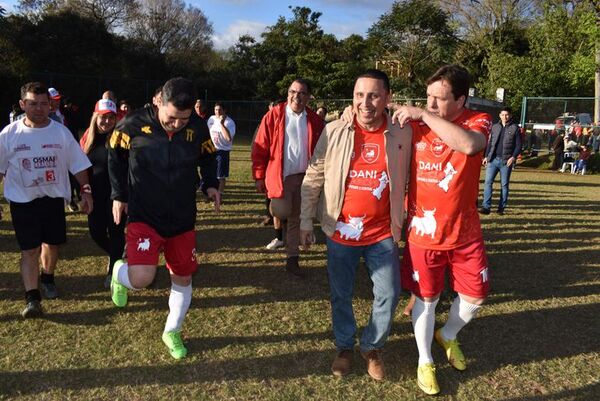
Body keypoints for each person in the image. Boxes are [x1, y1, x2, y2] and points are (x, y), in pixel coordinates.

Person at [300, 69, 412, 381]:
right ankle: (345, 347)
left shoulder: (403, 132)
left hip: (382, 233)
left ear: (387, 98)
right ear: (353, 97)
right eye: (360, 95)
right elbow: (314, 175)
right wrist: (306, 220)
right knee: (340, 293)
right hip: (340, 231)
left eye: (374, 95)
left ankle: (371, 347)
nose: (366, 102)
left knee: (389, 293)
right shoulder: (334, 130)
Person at [392, 64, 492, 395]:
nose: (432, 104)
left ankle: (447, 335)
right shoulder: (416, 126)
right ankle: (424, 359)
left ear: (462, 99)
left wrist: (423, 113)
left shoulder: (478, 121)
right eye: (428, 97)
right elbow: (375, 117)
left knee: (475, 296)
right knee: (426, 299)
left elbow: (468, 146)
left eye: (440, 98)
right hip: (423, 233)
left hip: (465, 233)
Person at [108, 77, 220, 360]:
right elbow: (114, 157)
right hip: (144, 214)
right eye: (172, 118)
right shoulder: (132, 124)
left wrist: (210, 184)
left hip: (182, 218)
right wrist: (119, 194)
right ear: (159, 101)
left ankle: (173, 330)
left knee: (182, 277)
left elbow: (208, 157)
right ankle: (120, 275)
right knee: (143, 277)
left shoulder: (196, 126)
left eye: (184, 119)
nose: (177, 124)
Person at [0, 81, 93, 317]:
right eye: (33, 104)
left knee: (51, 245)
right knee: (29, 250)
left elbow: (78, 164)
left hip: (52, 199)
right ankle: (32, 299)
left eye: (44, 104)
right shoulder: (9, 135)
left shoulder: (60, 132)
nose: (39, 109)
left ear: (50, 105)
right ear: (22, 105)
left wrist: (86, 190)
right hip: (23, 201)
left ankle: (48, 277)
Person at [251, 79, 325, 276]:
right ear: (287, 94)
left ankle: (292, 259)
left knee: (296, 219)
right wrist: (259, 176)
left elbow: (323, 150)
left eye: (302, 93)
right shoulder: (273, 116)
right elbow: (260, 147)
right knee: (281, 211)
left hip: (306, 179)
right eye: (293, 92)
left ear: (308, 97)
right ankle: (284, 234)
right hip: (282, 177)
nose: (297, 96)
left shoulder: (315, 120)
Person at [80, 99, 126, 288]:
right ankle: (118, 255)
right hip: (95, 196)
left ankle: (113, 271)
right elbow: (79, 168)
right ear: (95, 117)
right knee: (96, 233)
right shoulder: (86, 139)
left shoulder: (121, 138)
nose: (106, 121)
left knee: (116, 233)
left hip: (116, 197)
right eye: (103, 117)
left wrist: (124, 196)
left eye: (111, 117)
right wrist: (82, 193)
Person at [479, 106, 521, 215]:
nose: (504, 117)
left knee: (504, 185)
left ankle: (501, 208)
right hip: (493, 160)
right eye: (502, 114)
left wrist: (513, 157)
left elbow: (518, 145)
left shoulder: (515, 128)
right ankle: (486, 207)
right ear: (499, 115)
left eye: (507, 114)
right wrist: (486, 156)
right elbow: (490, 143)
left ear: (510, 115)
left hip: (506, 161)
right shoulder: (495, 127)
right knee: (488, 182)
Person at [207, 102, 236, 196]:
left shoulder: (229, 122)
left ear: (224, 110)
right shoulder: (211, 119)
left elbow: (228, 138)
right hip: (211, 149)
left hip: (222, 151)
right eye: (216, 110)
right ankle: (211, 193)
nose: (217, 112)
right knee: (210, 174)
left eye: (220, 110)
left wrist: (222, 124)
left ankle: (219, 195)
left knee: (220, 176)